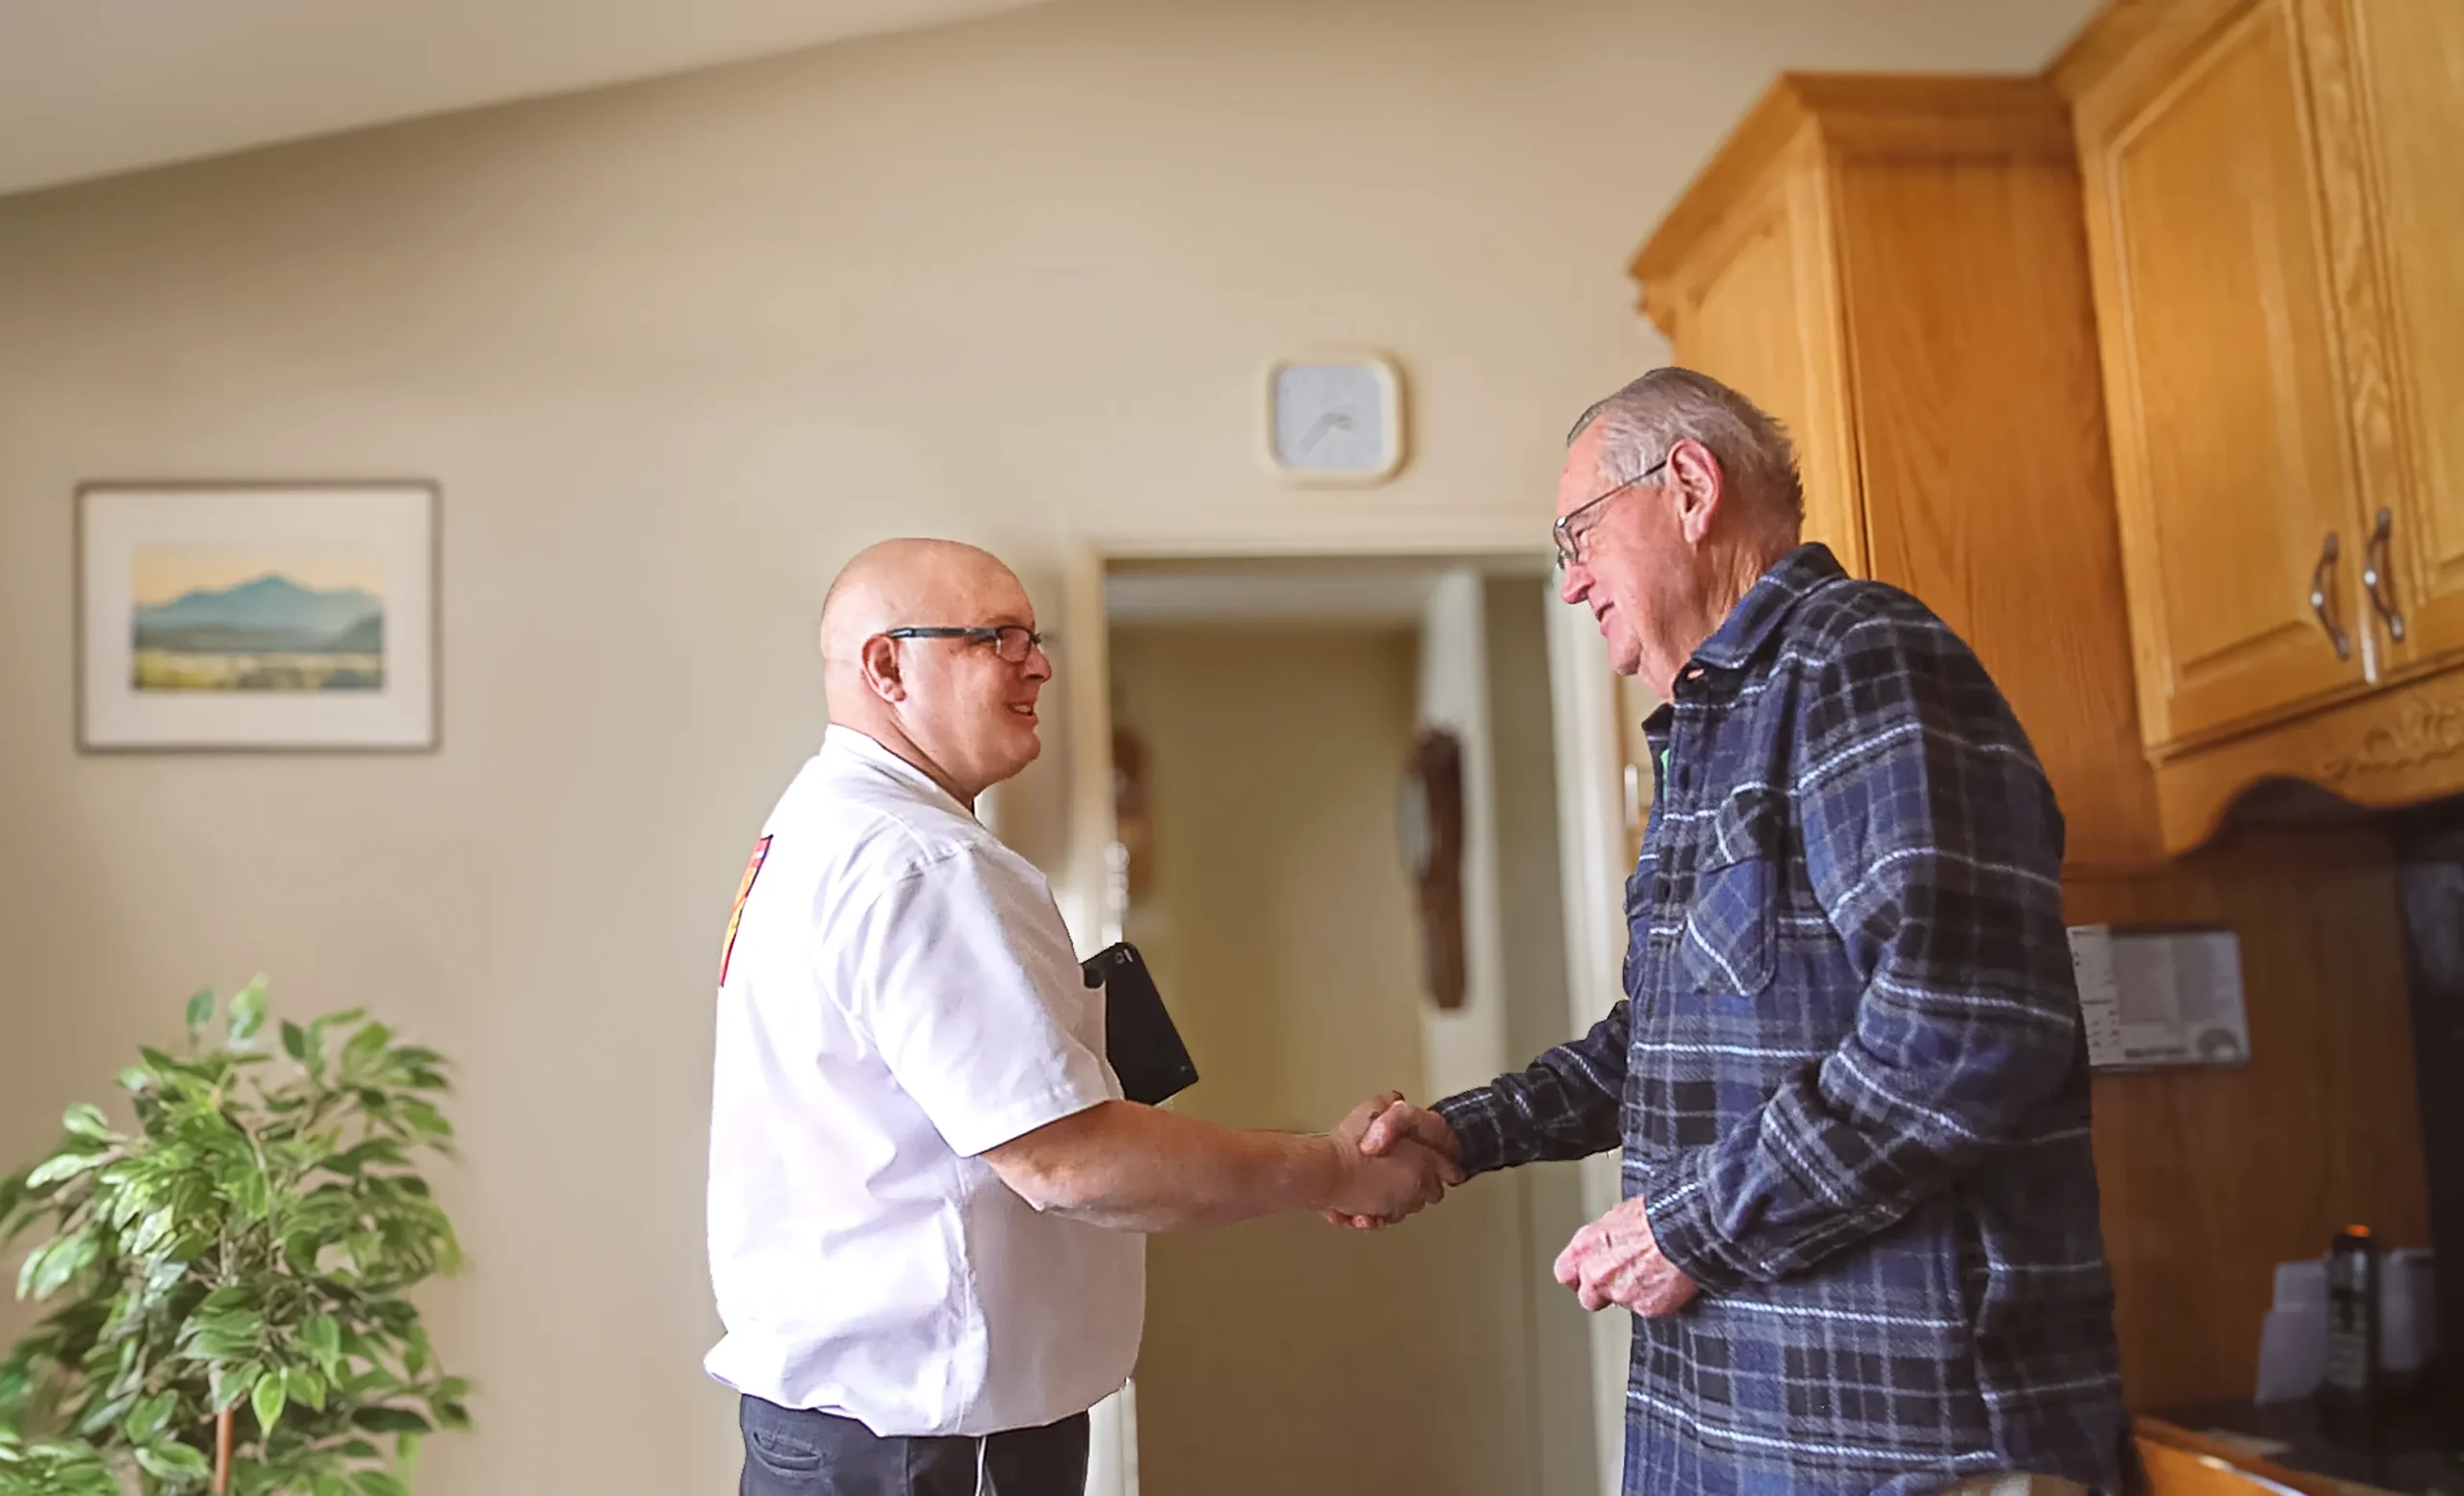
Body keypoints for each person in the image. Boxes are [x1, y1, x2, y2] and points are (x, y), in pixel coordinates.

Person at [1353, 370, 2126, 1495]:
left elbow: (1963, 1033)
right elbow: (1661, 1043)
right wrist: (1463, 1134)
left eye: (1578, 534)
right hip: (1733, 1425)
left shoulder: (1860, 656)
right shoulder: (1708, 732)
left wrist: (1689, 1226)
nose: (1570, 584)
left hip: (1901, 1440)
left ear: (1689, 485)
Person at [706, 537, 1453, 1496]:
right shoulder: (917, 863)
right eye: (994, 637)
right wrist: (1333, 1167)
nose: (1039, 663)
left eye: (1035, 635)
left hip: (859, 1437)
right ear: (886, 665)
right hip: (924, 1452)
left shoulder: (821, 830)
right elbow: (1064, 1159)